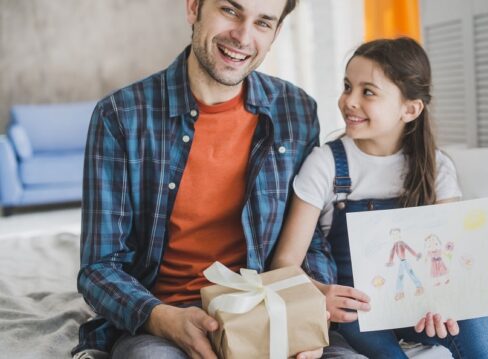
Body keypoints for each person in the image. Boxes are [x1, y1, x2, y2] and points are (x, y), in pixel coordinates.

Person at [73, 1, 357, 358]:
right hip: (167, 322)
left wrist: (308, 310)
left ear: (276, 33)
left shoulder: (296, 110)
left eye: (263, 23)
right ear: (194, 8)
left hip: (272, 311)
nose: (242, 36)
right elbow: (99, 267)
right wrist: (162, 319)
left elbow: (309, 239)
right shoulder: (120, 116)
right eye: (230, 10)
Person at [271, 37, 488, 358]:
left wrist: (444, 304)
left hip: (419, 306)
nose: (349, 101)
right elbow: (284, 262)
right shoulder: (325, 163)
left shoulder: (437, 168)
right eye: (347, 86)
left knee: (477, 322)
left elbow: (450, 265)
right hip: (357, 311)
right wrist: (322, 293)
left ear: (409, 109)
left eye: (368, 91)